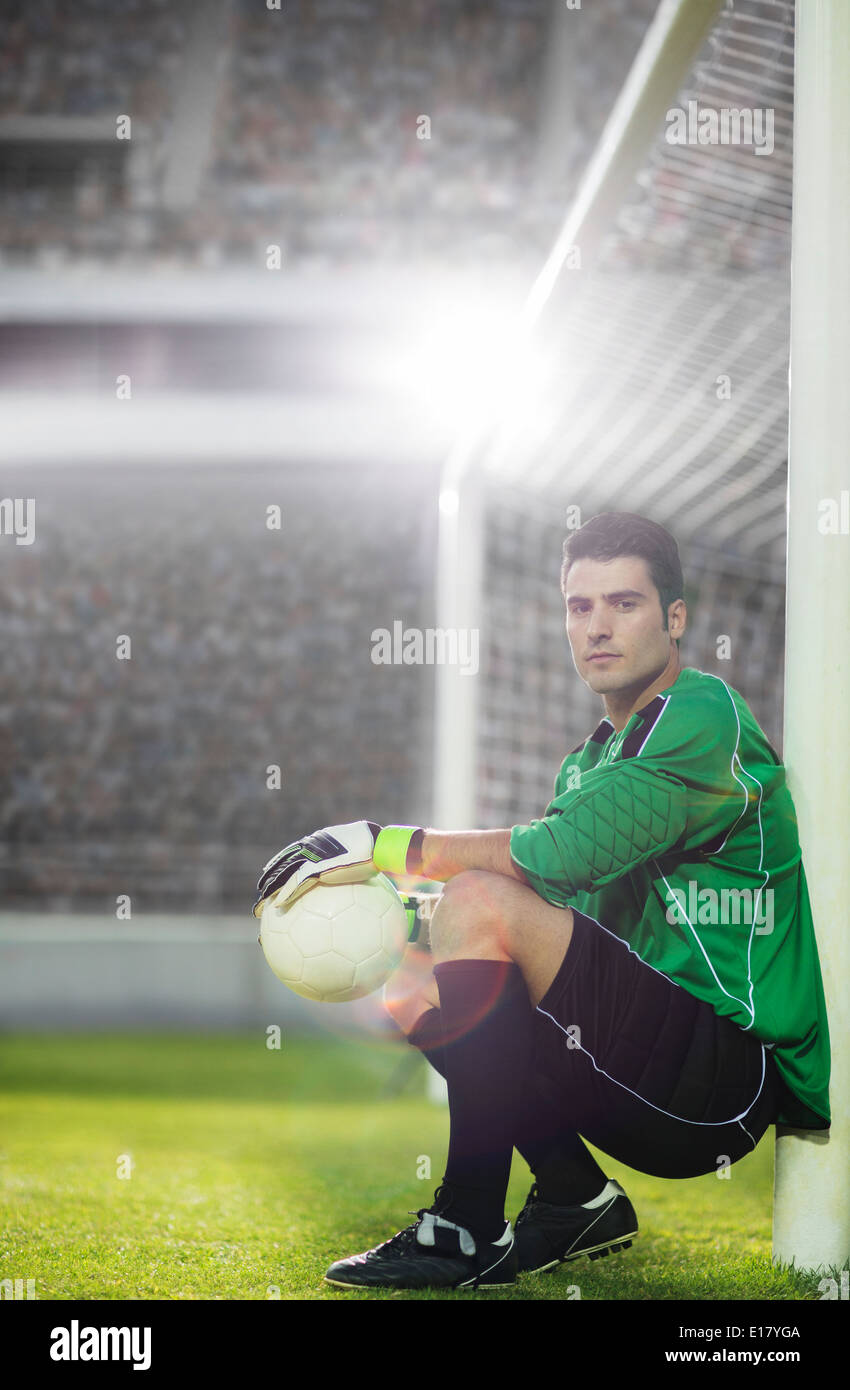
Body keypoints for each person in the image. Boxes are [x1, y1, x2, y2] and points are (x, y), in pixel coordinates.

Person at [253, 511, 830, 1292]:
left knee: (477, 901)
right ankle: (571, 1196)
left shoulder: (704, 716)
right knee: (410, 955)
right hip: (637, 1071)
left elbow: (557, 858)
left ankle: (467, 1226)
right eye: (579, 606)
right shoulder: (584, 765)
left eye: (624, 604)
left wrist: (383, 843)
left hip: (727, 1082)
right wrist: (375, 914)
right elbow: (558, 921)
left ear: (675, 618)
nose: (597, 626)